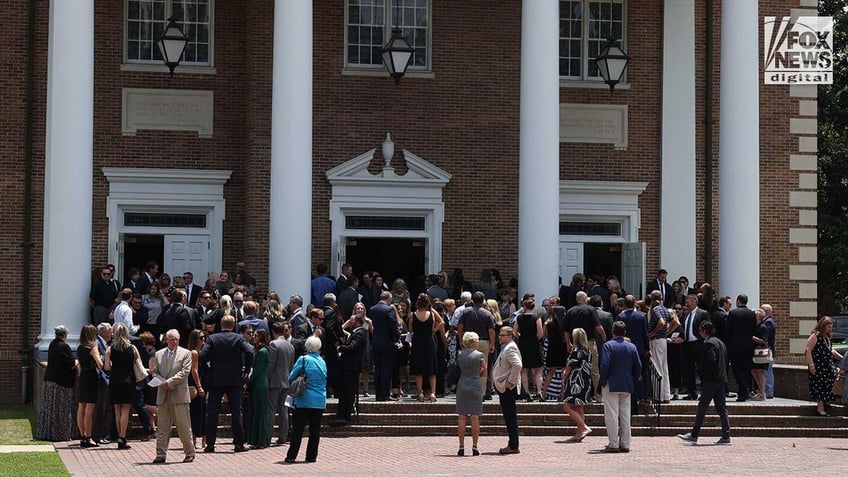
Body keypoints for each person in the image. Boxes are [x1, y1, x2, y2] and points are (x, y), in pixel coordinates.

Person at [200, 314, 255, 453]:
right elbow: (249, 351)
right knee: (236, 412)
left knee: (212, 412)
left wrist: (208, 370)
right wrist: (247, 370)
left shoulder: (213, 338)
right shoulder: (238, 338)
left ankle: (210, 444)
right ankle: (238, 444)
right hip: (234, 379)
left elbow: (202, 356)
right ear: (234, 325)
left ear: (221, 324)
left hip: (216, 379)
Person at [677, 321, 732, 445]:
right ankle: (726, 435)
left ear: (705, 331)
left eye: (701, 330)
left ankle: (694, 434)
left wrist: (700, 370)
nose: (700, 332)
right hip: (721, 379)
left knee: (702, 407)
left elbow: (710, 361)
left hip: (711, 380)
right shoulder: (721, 343)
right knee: (722, 408)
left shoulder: (709, 344)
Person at [150, 329, 196, 464]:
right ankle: (160, 454)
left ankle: (189, 452)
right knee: (162, 427)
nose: (175, 342)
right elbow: (154, 372)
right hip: (163, 396)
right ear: (166, 340)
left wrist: (169, 382)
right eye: (172, 339)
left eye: (177, 339)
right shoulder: (158, 354)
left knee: (183, 426)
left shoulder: (186, 353)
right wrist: (161, 381)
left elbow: (185, 372)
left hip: (179, 394)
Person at [598, 321, 642, 453]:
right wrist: (633, 379)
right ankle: (625, 443)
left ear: (612, 331)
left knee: (611, 414)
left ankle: (613, 443)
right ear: (625, 332)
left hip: (611, 383)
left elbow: (604, 365)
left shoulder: (608, 346)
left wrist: (603, 381)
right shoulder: (632, 347)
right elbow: (638, 366)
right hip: (627, 383)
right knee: (625, 414)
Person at [285, 336, 328, 464]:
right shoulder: (322, 361)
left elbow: (291, 376)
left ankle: (291, 456)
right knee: (315, 431)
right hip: (319, 399)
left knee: (298, 429)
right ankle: (311, 456)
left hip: (304, 399)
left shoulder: (303, 359)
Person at [35, 325, 78, 442]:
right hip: (61, 383)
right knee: (62, 410)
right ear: (65, 335)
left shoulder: (52, 344)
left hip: (50, 380)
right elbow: (71, 363)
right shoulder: (64, 346)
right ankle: (61, 434)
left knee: (50, 409)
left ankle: (47, 433)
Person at [104, 323, 140, 449]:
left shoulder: (110, 349)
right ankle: (122, 437)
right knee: (125, 410)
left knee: (117, 410)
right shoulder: (132, 348)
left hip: (114, 380)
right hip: (128, 380)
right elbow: (137, 363)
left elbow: (107, 367)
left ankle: (119, 436)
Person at [332, 311, 367, 426]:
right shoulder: (355, 333)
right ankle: (341, 414)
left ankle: (346, 416)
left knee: (348, 392)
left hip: (351, 368)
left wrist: (340, 348)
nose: (350, 323)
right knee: (343, 392)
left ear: (357, 322)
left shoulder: (360, 333)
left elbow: (352, 347)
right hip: (346, 367)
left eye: (351, 321)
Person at [492, 326, 522, 454]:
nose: (500, 337)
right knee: (509, 416)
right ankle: (512, 444)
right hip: (504, 387)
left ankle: (513, 445)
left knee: (510, 417)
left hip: (508, 388)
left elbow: (518, 365)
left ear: (510, 336)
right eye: (500, 335)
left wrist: (510, 382)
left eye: (502, 335)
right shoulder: (507, 347)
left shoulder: (510, 348)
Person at [805, 316, 843, 416]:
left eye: (831, 327)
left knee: (832, 381)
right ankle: (820, 408)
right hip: (818, 365)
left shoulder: (827, 337)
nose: (830, 329)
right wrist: (811, 364)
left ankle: (826, 401)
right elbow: (808, 349)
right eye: (828, 327)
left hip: (828, 365)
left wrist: (842, 358)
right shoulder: (815, 335)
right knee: (820, 385)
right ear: (823, 326)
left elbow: (830, 350)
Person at [455, 331, 485, 456]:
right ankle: (475, 446)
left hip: (462, 384)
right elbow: (484, 372)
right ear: (475, 342)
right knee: (475, 417)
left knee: (462, 416)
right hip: (475, 385)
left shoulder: (460, 354)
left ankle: (461, 446)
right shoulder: (480, 355)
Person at [76, 324, 104, 448]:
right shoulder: (92, 348)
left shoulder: (80, 347)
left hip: (83, 376)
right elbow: (101, 365)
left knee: (81, 406)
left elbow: (80, 365)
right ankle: (88, 436)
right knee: (89, 408)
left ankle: (82, 436)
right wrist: (98, 354)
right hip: (92, 377)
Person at [562, 328, 593, 443]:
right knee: (579, 407)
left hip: (576, 381)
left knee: (567, 406)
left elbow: (569, 366)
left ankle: (584, 427)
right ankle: (579, 433)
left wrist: (564, 377)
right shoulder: (587, 350)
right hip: (585, 381)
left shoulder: (577, 350)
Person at [268, 321, 296, 445]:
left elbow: (271, 364)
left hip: (274, 382)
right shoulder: (290, 345)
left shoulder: (273, 344)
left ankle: (267, 436)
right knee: (284, 411)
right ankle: (283, 436)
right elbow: (291, 365)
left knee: (271, 411)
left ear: (273, 331)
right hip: (286, 380)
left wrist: (266, 378)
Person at [409, 293, 441, 401]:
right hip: (429, 341)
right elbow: (441, 321)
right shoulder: (431, 313)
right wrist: (434, 330)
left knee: (419, 369)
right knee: (431, 368)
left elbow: (411, 330)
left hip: (417, 342)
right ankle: (433, 393)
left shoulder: (412, 315)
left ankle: (420, 393)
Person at [371, 291, 400, 401]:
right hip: (388, 343)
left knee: (378, 369)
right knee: (386, 369)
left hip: (376, 342)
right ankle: (385, 394)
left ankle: (378, 394)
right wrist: (396, 339)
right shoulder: (389, 310)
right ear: (389, 299)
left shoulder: (372, 309)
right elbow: (393, 326)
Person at [515, 297, 544, 401]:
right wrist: (535, 339)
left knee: (524, 370)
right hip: (534, 344)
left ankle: (527, 392)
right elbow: (541, 333)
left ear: (524, 306)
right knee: (538, 369)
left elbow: (515, 332)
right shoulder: (537, 318)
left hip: (523, 344)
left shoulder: (519, 318)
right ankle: (539, 391)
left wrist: (521, 337)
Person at [248, 329, 271, 448]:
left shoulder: (262, 351)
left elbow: (257, 370)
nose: (254, 337)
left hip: (260, 383)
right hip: (259, 382)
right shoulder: (259, 350)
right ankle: (256, 440)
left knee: (260, 412)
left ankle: (261, 440)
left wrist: (248, 382)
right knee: (257, 411)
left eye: (256, 335)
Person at [187, 329, 206, 449]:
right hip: (195, 384)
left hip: (202, 382)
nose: (203, 340)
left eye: (204, 337)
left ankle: (203, 439)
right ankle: (195, 440)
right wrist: (199, 386)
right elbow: (194, 370)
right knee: (196, 412)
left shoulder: (202, 351)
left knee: (203, 412)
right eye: (201, 338)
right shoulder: (193, 352)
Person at [751, 308, 769, 401]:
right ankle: (760, 392)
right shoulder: (754, 326)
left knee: (760, 372)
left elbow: (764, 341)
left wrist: (752, 337)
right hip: (754, 352)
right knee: (754, 371)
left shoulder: (763, 327)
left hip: (760, 353)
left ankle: (762, 393)